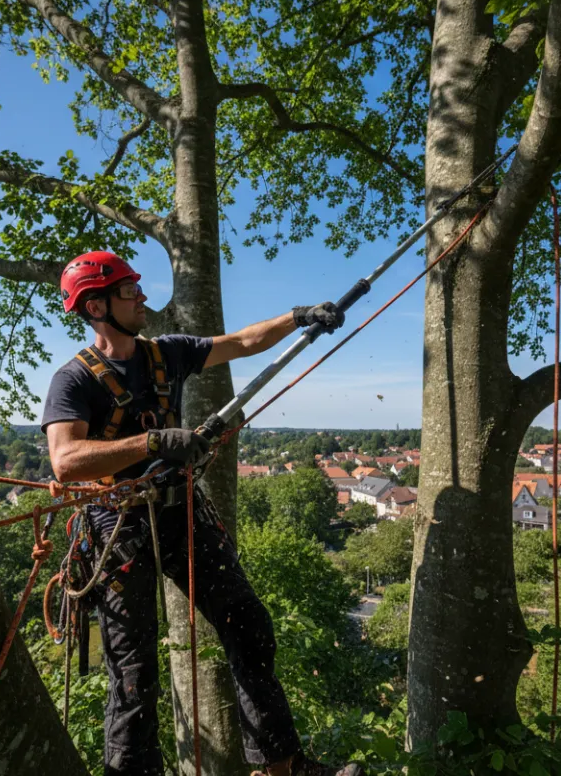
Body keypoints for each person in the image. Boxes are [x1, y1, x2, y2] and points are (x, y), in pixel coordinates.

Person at [41, 251, 363, 776]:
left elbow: (241, 343)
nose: (142, 297)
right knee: (134, 669)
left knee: (248, 625)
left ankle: (279, 767)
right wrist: (152, 440)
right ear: (96, 305)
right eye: (129, 291)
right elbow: (66, 460)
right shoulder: (75, 380)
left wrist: (299, 316)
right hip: (118, 524)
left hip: (178, 510)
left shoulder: (167, 353)